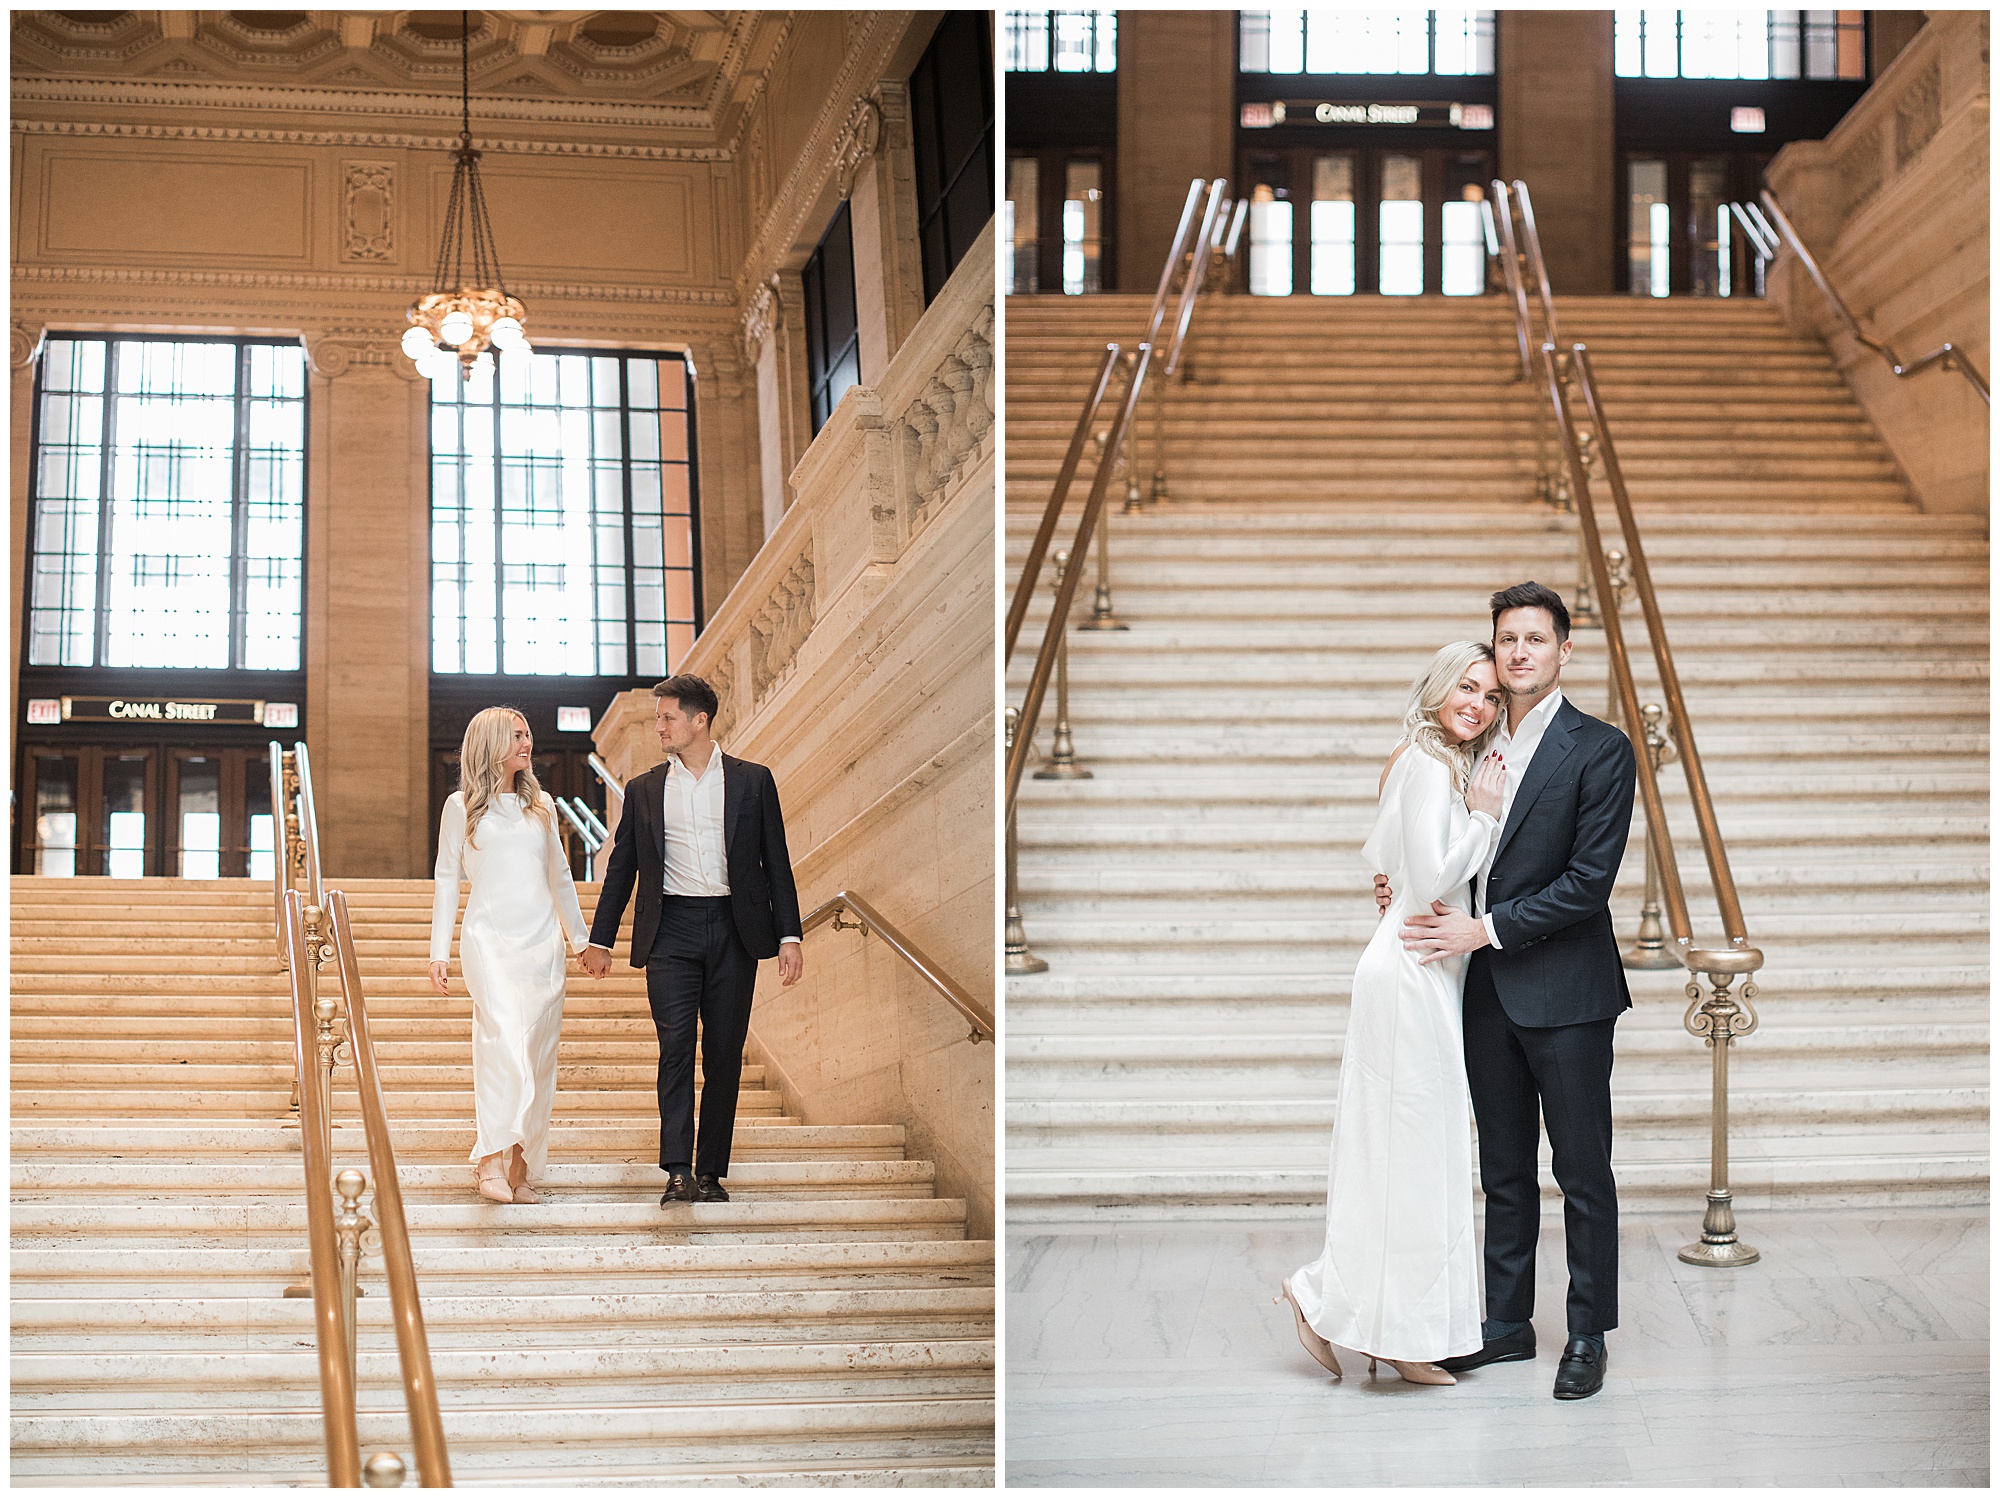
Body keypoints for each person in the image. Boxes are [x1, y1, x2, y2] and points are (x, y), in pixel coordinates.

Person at [1391, 581, 1639, 1402]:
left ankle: (1588, 1334)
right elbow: (1432, 838)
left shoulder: (1600, 749)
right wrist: (1403, 882)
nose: (1521, 652)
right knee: (1503, 1168)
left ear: (1564, 650)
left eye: (1536, 638)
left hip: (1566, 992)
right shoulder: (1470, 740)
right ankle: (1505, 1326)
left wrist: (1483, 929)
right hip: (1485, 993)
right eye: (1507, 640)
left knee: (1581, 1168)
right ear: (1493, 652)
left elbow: (1587, 884)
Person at [1278, 641, 1507, 1386]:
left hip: (1425, 969)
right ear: (1439, 689)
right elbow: (1438, 871)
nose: (1479, 703)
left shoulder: (1438, 766)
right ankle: (1331, 1302)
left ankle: (1393, 1330)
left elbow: (1392, 865)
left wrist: (1404, 881)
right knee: (1405, 1158)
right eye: (1467, 687)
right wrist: (1483, 820)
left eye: (1492, 695)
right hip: (1408, 975)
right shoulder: (1427, 764)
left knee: (1418, 1160)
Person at [580, 674, 804, 1206]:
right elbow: (621, 870)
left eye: (667, 717)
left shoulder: (754, 781)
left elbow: (777, 863)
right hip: (671, 932)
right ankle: (677, 1168)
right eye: (658, 717)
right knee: (675, 1047)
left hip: (735, 929)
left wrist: (789, 934)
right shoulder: (643, 790)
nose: (659, 726)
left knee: (724, 1054)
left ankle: (711, 1171)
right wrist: (601, 938)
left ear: (699, 720)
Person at [430, 707, 590, 1205]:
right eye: (517, 735)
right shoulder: (460, 807)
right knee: (501, 1045)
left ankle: (522, 1168)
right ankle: (489, 1159)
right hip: (488, 941)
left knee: (538, 1056)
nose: (528, 742)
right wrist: (438, 950)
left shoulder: (541, 806)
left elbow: (560, 877)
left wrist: (582, 941)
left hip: (542, 944)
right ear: (491, 743)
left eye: (528, 733)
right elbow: (445, 879)